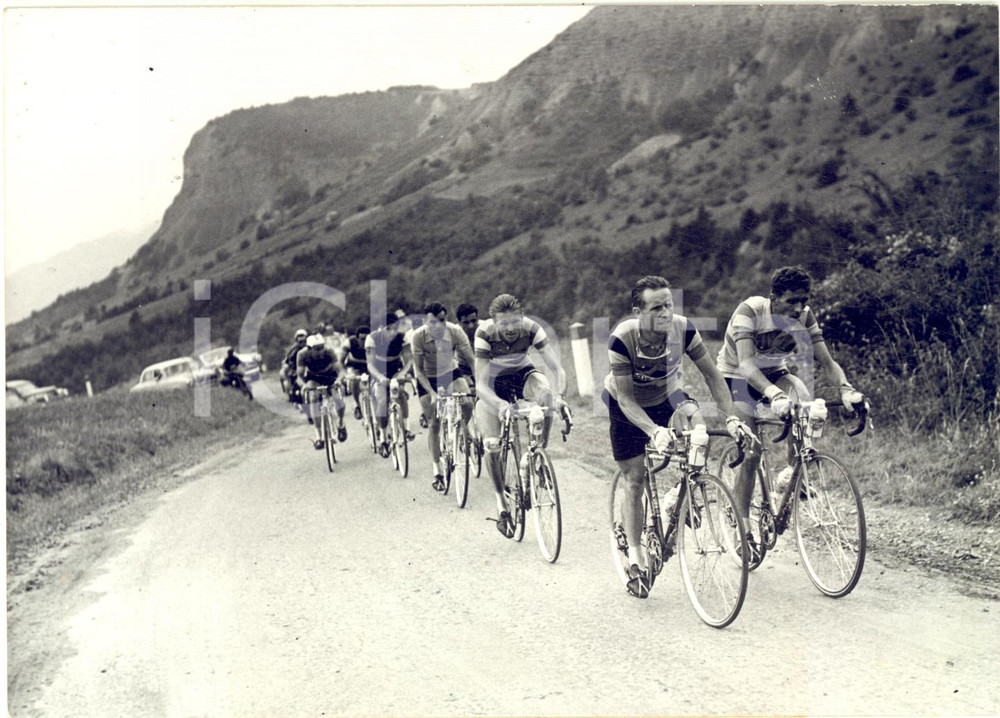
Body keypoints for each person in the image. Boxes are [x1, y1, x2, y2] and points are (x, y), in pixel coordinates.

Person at [606, 275, 754, 598]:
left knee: (700, 433)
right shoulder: (622, 338)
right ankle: (634, 558)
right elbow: (627, 400)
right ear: (638, 311)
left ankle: (681, 494)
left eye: (668, 305)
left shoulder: (683, 328)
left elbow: (714, 377)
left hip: (668, 395)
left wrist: (732, 419)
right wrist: (654, 431)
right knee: (635, 478)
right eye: (656, 307)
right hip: (627, 404)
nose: (665, 312)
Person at [717, 265, 865, 562]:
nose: (799, 308)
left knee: (804, 399)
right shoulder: (750, 311)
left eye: (804, 300)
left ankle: (791, 472)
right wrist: (774, 395)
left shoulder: (805, 315)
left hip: (775, 371)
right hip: (736, 377)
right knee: (752, 453)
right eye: (791, 301)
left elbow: (827, 361)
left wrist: (847, 389)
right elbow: (746, 365)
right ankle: (742, 527)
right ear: (773, 298)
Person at [473, 293, 567, 538]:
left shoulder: (532, 329)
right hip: (492, 386)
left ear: (522, 318)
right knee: (491, 445)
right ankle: (502, 506)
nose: (511, 328)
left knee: (545, 393)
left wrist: (560, 396)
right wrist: (500, 404)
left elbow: (557, 369)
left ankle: (538, 456)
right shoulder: (484, 334)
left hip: (521, 375)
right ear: (494, 322)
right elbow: (480, 386)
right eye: (504, 324)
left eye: (515, 322)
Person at [411, 302, 477, 491]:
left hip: (450, 372)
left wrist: (479, 385)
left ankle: (462, 430)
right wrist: (432, 394)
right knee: (434, 423)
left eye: (442, 320)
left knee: (468, 402)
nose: (438, 325)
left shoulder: (455, 331)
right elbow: (419, 371)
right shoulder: (418, 336)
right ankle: (438, 471)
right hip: (428, 378)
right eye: (433, 322)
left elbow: (472, 361)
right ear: (426, 322)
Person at [366, 313, 415, 454]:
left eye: (395, 328)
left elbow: (409, 361)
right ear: (381, 328)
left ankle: (406, 429)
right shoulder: (372, 338)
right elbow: (370, 365)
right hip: (378, 371)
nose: (392, 332)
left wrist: (402, 374)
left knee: (401, 395)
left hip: (395, 369)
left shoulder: (402, 337)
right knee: (382, 400)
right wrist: (380, 378)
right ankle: (383, 438)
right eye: (389, 328)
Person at [297, 334, 348, 450]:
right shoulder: (302, 354)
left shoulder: (329, 351)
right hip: (314, 378)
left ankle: (340, 423)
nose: (320, 351)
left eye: (322, 347)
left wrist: (339, 380)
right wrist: (303, 386)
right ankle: (319, 436)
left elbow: (340, 370)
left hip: (330, 376)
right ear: (309, 349)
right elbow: (299, 376)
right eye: (317, 348)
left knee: (338, 399)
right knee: (313, 398)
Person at [343, 324, 370, 420]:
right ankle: (357, 404)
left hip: (369, 367)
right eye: (362, 339)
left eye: (367, 339)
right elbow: (340, 361)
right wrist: (345, 375)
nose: (365, 342)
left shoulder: (373, 341)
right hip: (354, 367)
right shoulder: (350, 342)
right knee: (354, 380)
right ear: (357, 338)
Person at [282, 329, 309, 403]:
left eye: (303, 337)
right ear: (296, 339)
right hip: (295, 368)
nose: (302, 341)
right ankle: (290, 392)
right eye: (299, 338)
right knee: (287, 375)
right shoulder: (293, 348)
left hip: (307, 367)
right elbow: (288, 359)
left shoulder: (310, 346)